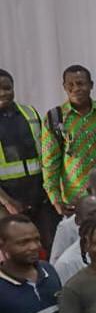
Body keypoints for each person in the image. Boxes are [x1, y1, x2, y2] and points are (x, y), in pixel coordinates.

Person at [41, 65, 96, 217]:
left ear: (91, 85)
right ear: (64, 87)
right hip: (75, 198)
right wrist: (55, 199)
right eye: (70, 85)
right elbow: (50, 163)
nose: (76, 88)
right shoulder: (55, 117)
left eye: (81, 83)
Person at [0, 71, 53, 250]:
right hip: (6, 200)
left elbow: (46, 153)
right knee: (14, 249)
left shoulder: (29, 112)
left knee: (47, 245)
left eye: (7, 88)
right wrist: (7, 202)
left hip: (40, 196)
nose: (2, 93)